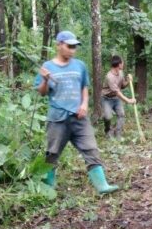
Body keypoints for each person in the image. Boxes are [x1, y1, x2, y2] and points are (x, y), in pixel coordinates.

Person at [34, 30, 119, 194]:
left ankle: (102, 186)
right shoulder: (47, 67)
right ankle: (47, 189)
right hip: (57, 118)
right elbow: (42, 92)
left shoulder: (80, 65)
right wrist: (45, 80)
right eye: (69, 46)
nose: (73, 50)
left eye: (75, 47)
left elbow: (84, 87)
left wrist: (85, 104)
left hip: (79, 117)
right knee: (52, 153)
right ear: (59, 45)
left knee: (91, 149)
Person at [101, 54, 136, 140]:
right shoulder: (109, 77)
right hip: (106, 99)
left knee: (121, 115)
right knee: (108, 116)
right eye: (122, 62)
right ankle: (108, 131)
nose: (123, 64)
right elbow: (117, 92)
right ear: (119, 64)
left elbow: (122, 85)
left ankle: (118, 133)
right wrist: (128, 100)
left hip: (116, 99)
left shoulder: (120, 73)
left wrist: (128, 81)